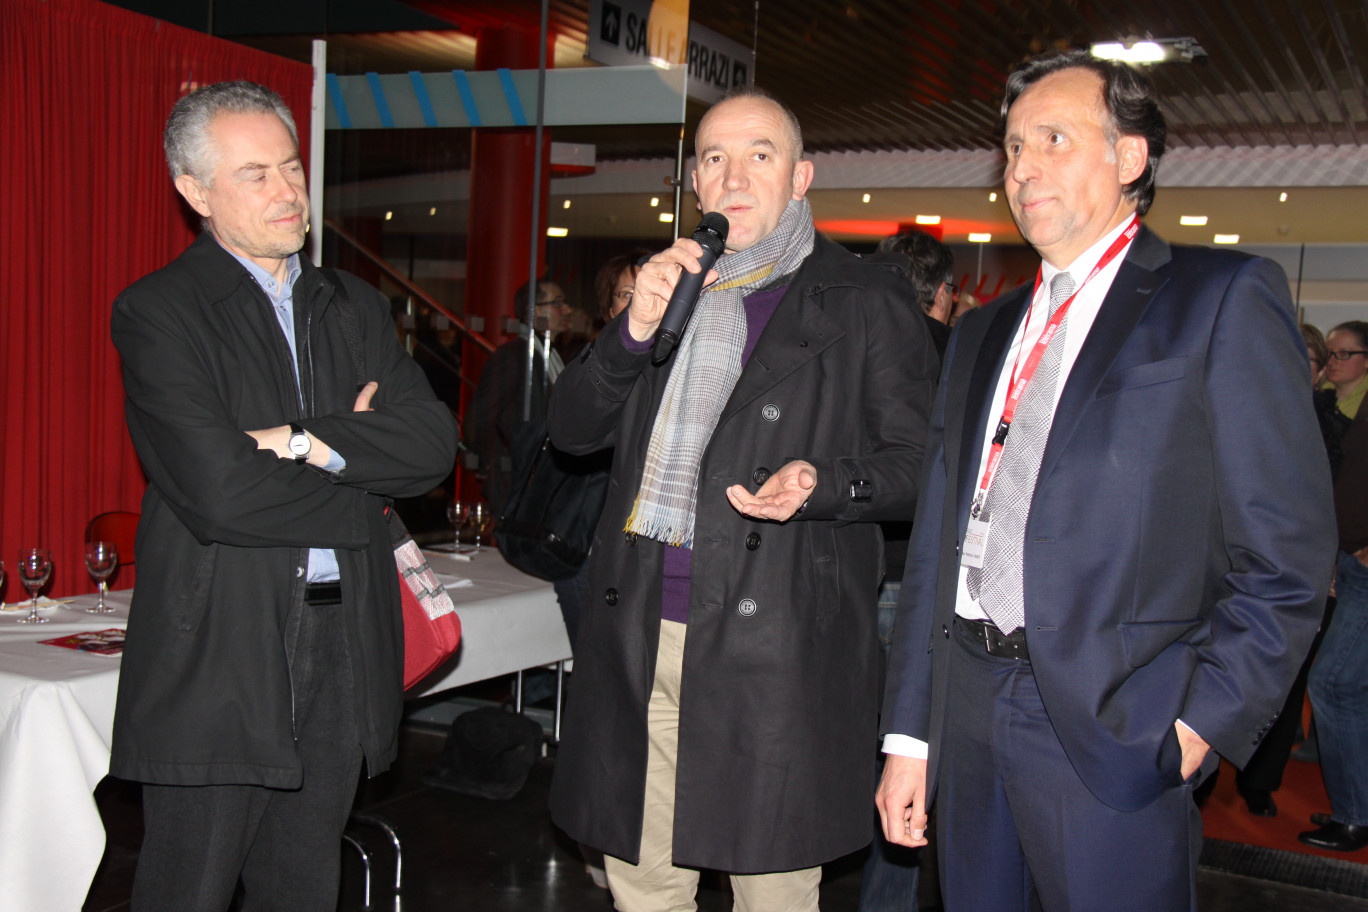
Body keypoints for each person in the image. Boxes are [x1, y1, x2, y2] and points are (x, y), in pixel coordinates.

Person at [876, 50, 1335, 912]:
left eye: (1054, 138)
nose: (1023, 167)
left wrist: (1200, 723)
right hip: (968, 708)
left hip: (1117, 725)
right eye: (1012, 147)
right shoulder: (984, 334)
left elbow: (1289, 554)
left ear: (1130, 160)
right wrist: (913, 733)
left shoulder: (1220, 298)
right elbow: (942, 538)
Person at [546, 85, 937, 911]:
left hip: (778, 652)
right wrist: (631, 334)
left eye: (761, 155)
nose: (735, 175)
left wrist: (825, 484)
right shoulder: (670, 290)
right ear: (694, 184)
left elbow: (918, 465)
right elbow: (572, 434)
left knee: (771, 894)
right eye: (715, 158)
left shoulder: (864, 299)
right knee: (644, 892)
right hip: (641, 631)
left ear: (801, 177)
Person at [109, 82, 457, 912]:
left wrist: (298, 440)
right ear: (194, 193)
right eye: (255, 173)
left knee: (302, 886)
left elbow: (434, 447)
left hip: (346, 640)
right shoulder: (159, 312)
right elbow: (221, 493)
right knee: (186, 889)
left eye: (292, 166)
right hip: (220, 642)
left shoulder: (354, 306)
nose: (288, 191)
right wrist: (363, 482)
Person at [1301, 341, 1368, 852]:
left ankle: (1354, 816)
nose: (1334, 360)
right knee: (1346, 686)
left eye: (1346, 352)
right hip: (1349, 557)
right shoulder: (1348, 404)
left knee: (1333, 684)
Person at [464, 278, 573, 514]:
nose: (567, 309)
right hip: (518, 479)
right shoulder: (513, 357)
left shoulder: (552, 355)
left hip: (542, 478)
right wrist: (492, 463)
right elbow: (481, 416)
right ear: (533, 312)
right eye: (558, 303)